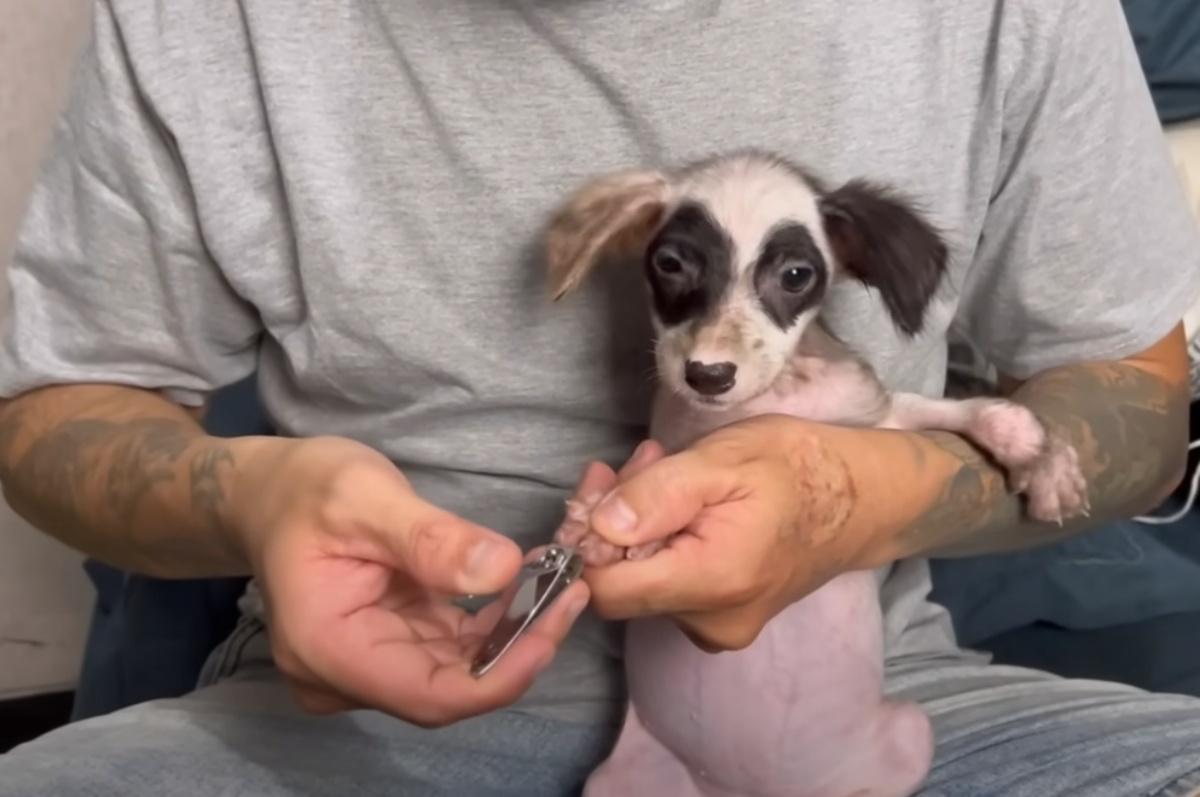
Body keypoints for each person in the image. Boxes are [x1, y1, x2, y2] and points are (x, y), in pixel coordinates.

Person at [1, 1, 1199, 795]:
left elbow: (1140, 401)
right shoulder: (207, 21)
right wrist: (249, 494)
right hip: (356, 724)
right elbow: (56, 405)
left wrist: (868, 494)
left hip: (872, 711)